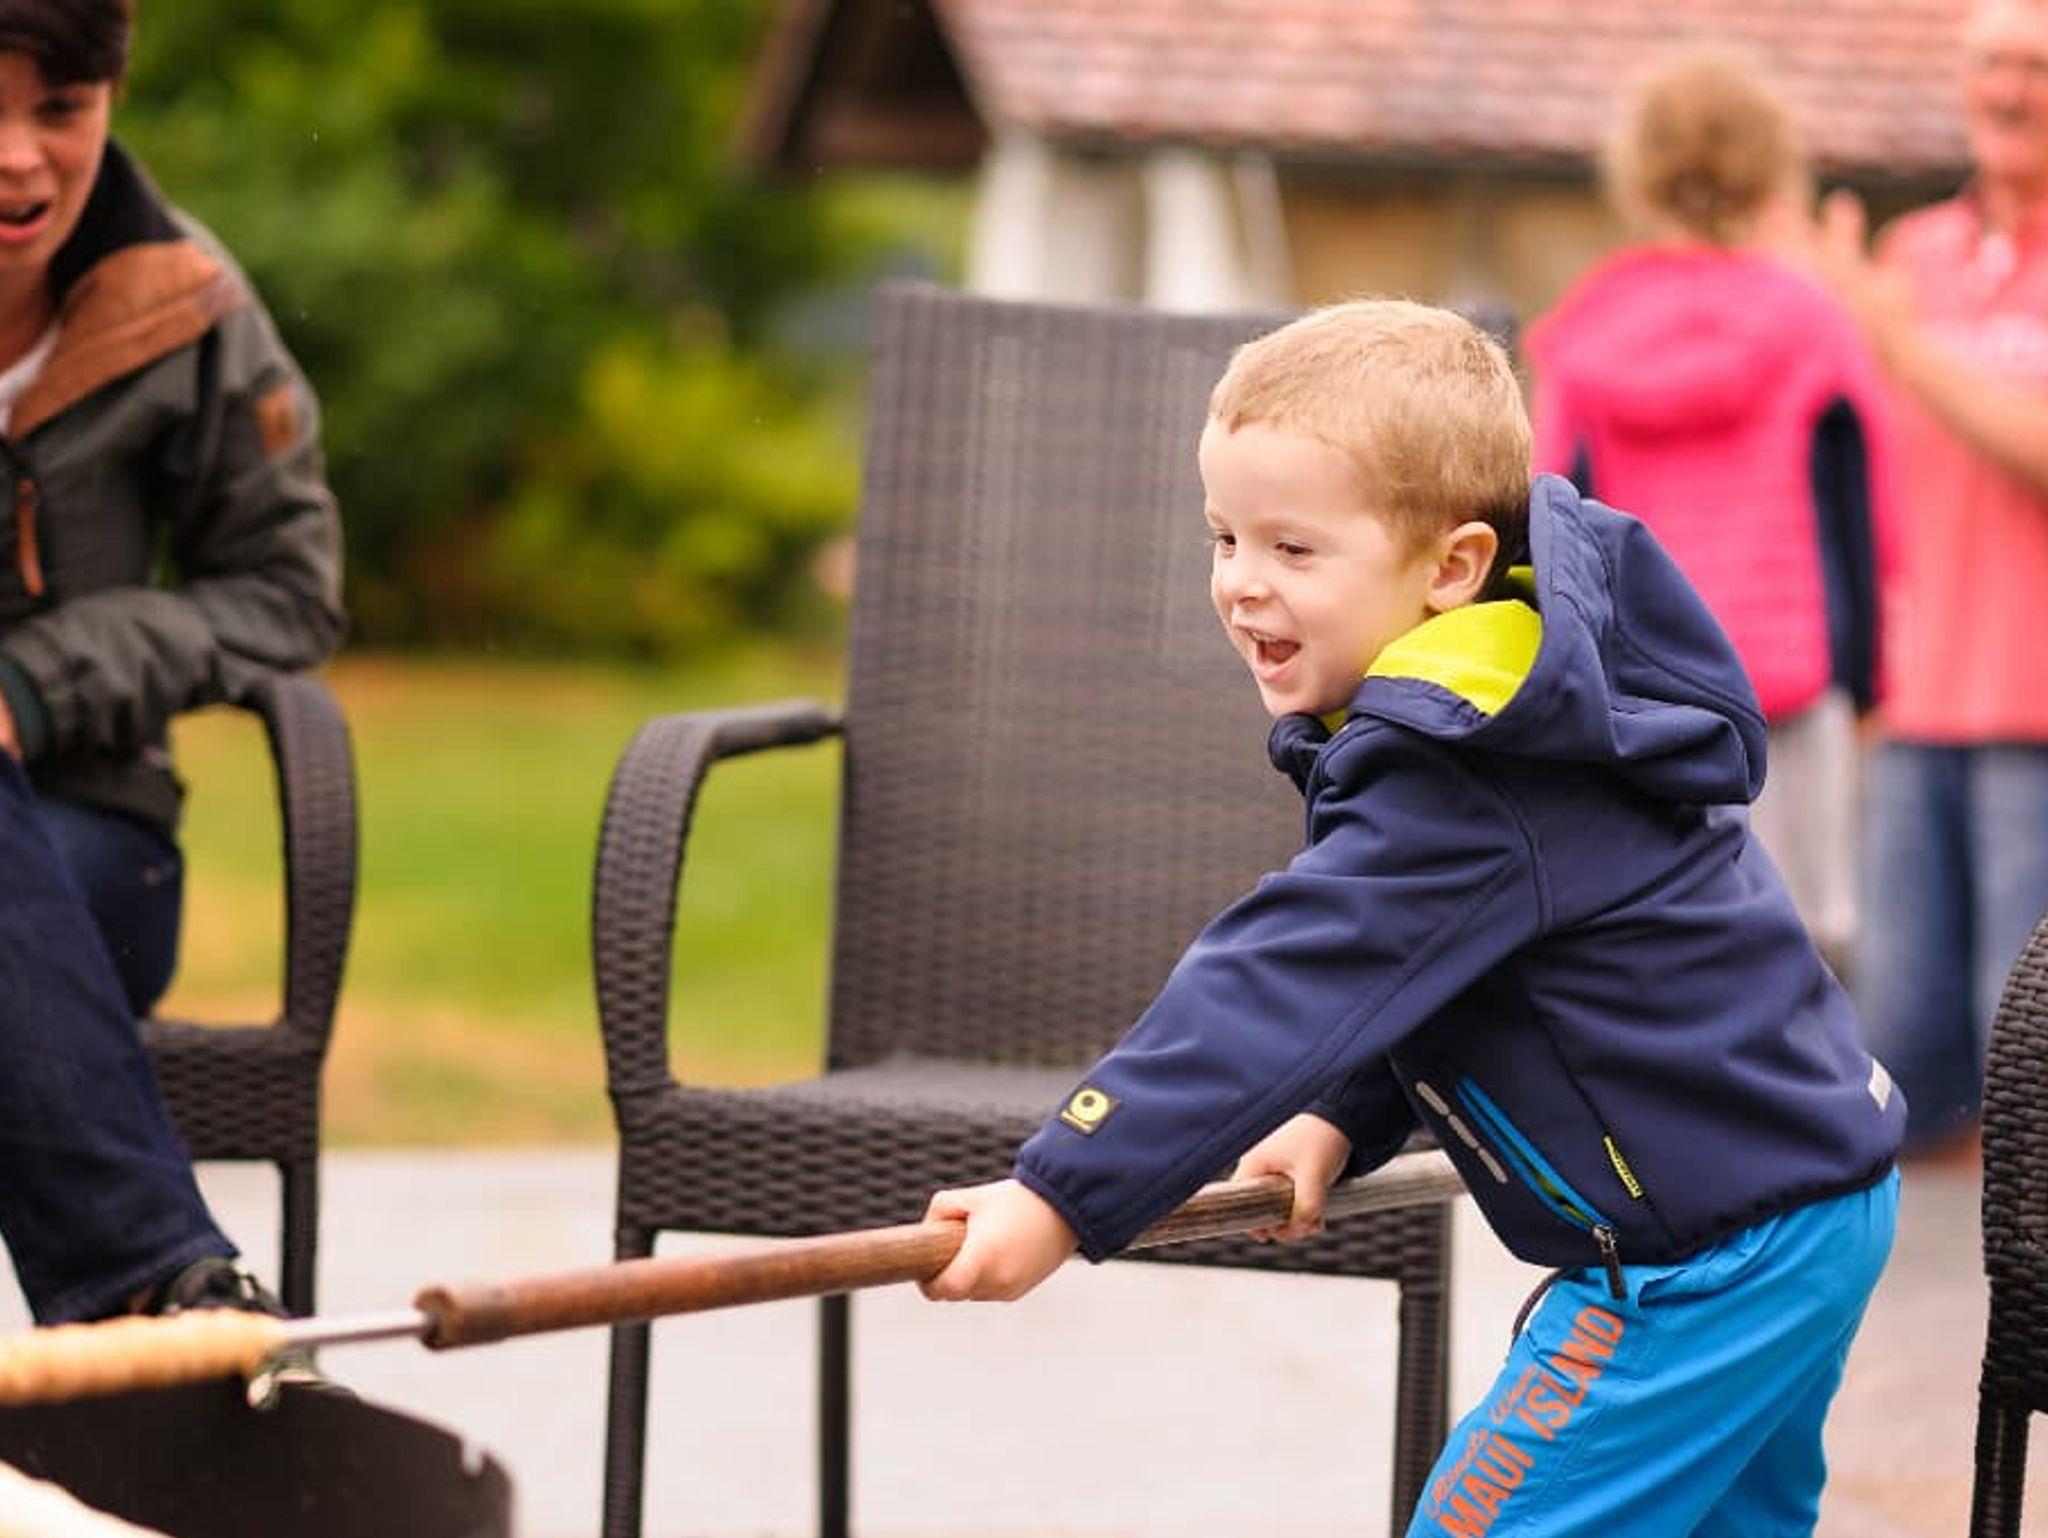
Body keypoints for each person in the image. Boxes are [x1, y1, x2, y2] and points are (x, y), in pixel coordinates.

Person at [918, 301, 1903, 1537]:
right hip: (1804, 1197)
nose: (1240, 581)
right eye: (1223, 535)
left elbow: (1280, 979)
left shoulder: (1463, 763)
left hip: (1702, 1262)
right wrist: (1339, 1114)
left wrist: (1060, 1188)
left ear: (1448, 566)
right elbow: (1447, 965)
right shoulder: (1522, 708)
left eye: (1293, 547)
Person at [0, 0, 343, 1325]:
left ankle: (140, 1295)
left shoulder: (185, 304)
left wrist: (37, 687)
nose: (20, 158)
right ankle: (163, 1299)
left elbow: (286, 588)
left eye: (60, 110)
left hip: (91, 839)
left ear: (111, 101)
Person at [1525, 47, 1893, 972]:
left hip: (1640, 690)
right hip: (1790, 688)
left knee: (1658, 932)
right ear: (1773, 169)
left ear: (1637, 172)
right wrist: (1870, 682)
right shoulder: (1811, 320)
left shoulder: (1590, 324)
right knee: (1805, 943)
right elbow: (1865, 513)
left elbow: (1552, 512)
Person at [1816, 0, 2048, 1163]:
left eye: (2034, 66)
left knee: (2026, 1057)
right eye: (1988, 65)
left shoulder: (1897, 304)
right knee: (1902, 1058)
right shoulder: (1909, 257)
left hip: (2036, 722)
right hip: (1913, 708)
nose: (2006, 90)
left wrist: (1899, 343)